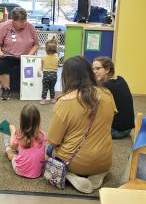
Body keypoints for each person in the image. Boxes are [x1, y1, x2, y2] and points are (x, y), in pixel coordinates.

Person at [47, 56, 116, 193]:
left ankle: (70, 175)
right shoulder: (107, 94)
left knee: (47, 150)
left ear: (67, 77)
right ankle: (98, 173)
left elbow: (53, 140)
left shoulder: (64, 102)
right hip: (105, 160)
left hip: (75, 163)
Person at [0, 7, 39, 100]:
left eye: (25, 20)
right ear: (14, 21)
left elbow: (36, 45)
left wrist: (30, 55)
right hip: (9, 56)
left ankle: (29, 89)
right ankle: (6, 89)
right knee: (1, 64)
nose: (24, 23)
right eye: (21, 21)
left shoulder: (30, 27)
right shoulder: (5, 27)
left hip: (26, 57)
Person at [93, 57, 134, 139]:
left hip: (116, 131)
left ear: (107, 70)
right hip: (128, 128)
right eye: (93, 69)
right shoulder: (120, 79)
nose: (94, 72)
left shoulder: (105, 87)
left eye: (98, 69)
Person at [4, 104, 47, 178]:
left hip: (20, 170)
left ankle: (7, 151)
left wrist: (13, 132)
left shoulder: (20, 135)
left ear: (22, 121)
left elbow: (12, 146)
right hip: (37, 172)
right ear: (38, 121)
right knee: (26, 147)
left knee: (12, 154)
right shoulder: (42, 135)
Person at [40, 39, 59, 105]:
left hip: (46, 74)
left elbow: (42, 67)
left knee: (45, 88)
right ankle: (53, 99)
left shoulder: (43, 58)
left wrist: (42, 69)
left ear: (46, 49)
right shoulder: (57, 58)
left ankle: (43, 100)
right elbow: (57, 66)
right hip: (54, 75)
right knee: (52, 88)